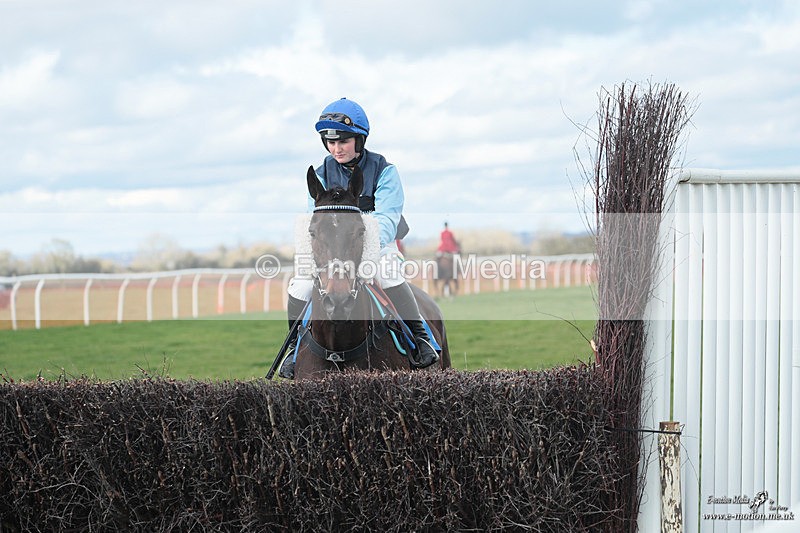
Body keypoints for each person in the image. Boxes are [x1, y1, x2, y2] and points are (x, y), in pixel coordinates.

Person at [278, 97, 439, 379]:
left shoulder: (385, 170)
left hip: (374, 245)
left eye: (343, 141)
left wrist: (364, 250)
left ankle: (421, 338)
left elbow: (387, 217)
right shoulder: (319, 174)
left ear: (359, 140)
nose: (336, 148)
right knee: (300, 286)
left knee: (388, 275)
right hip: (331, 249)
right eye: (331, 142)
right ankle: (293, 348)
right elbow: (313, 220)